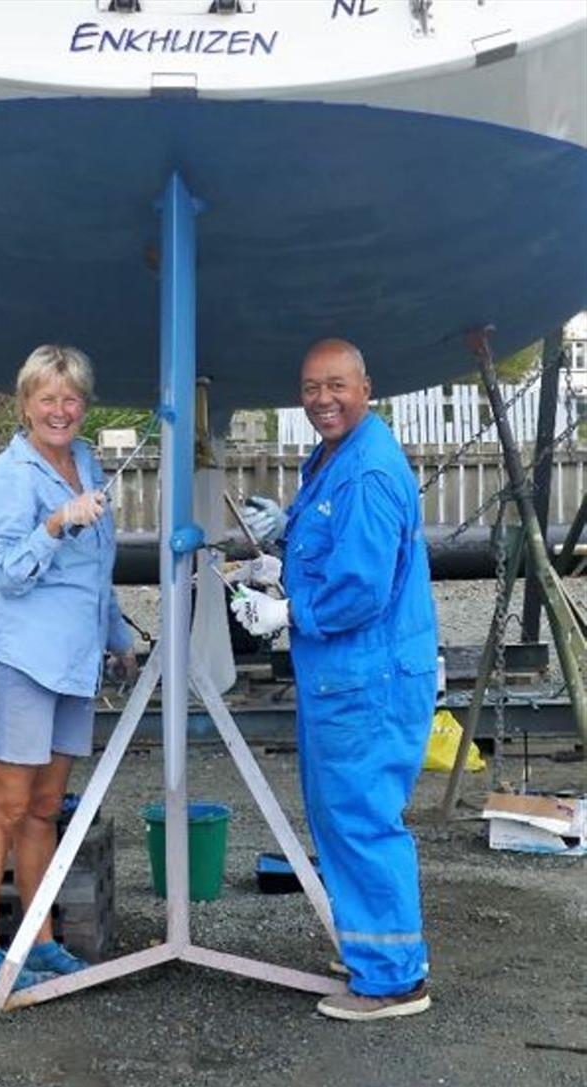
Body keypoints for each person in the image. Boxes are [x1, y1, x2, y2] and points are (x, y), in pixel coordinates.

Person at [229, 338, 437, 1021]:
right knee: (341, 815)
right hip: (346, 678)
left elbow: (361, 588)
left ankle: (392, 979)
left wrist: (288, 610)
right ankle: (372, 948)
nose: (323, 398)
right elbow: (333, 545)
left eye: (337, 385)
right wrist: (285, 538)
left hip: (365, 676)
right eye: (312, 386)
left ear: (366, 387)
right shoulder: (334, 458)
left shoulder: (368, 470)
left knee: (361, 818)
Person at [0, 344, 136, 993]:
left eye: (70, 398)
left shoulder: (84, 460)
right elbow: (4, 572)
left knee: (42, 808)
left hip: (73, 661)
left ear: (83, 405)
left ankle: (37, 938)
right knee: (3, 808)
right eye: (47, 398)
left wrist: (117, 635)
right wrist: (56, 522)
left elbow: (97, 568)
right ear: (25, 403)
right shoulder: (10, 477)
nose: (59, 410)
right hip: (21, 660)